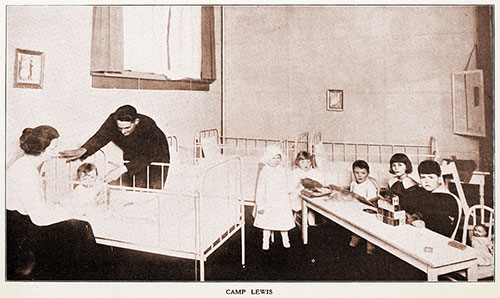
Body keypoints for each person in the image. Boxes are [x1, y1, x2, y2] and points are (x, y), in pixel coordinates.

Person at [7, 125, 98, 279]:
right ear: (42, 149)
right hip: (18, 229)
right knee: (82, 227)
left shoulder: (25, 164)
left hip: (20, 221)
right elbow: (40, 218)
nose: (56, 151)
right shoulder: (26, 173)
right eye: (54, 147)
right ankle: (86, 279)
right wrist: (71, 212)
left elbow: (36, 208)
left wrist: (63, 210)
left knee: (76, 224)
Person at [59, 105, 170, 189]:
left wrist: (121, 170)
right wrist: (84, 149)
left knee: (152, 190)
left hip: (157, 157)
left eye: (127, 128)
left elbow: (149, 155)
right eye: (120, 128)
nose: (123, 132)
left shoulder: (148, 126)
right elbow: (101, 136)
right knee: (135, 189)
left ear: (136, 121)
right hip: (134, 156)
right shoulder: (113, 119)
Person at [253, 146, 295, 250]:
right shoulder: (265, 171)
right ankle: (265, 241)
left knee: (283, 222)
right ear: (268, 159)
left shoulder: (282, 169)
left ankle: (286, 239)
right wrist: (261, 205)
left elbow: (286, 182)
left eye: (278, 158)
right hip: (269, 201)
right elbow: (260, 190)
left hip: (281, 201)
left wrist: (289, 191)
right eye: (273, 158)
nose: (276, 161)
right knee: (267, 223)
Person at [404, 160, 459, 238]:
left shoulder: (447, 199)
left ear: (439, 178)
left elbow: (445, 229)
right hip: (425, 235)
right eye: (423, 177)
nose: (426, 181)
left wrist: (425, 225)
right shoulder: (428, 195)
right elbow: (422, 213)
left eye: (431, 177)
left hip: (440, 240)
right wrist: (415, 218)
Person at [349, 160, 378, 254]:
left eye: (363, 173)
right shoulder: (353, 184)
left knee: (369, 229)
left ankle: (370, 248)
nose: (359, 175)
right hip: (356, 209)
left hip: (369, 210)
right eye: (356, 173)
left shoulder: (369, 185)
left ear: (368, 173)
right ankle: (355, 236)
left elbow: (372, 201)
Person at [290, 151, 324, 225]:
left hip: (311, 194)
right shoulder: (295, 172)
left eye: (308, 162)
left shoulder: (313, 172)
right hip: (298, 194)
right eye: (302, 162)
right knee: (298, 201)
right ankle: (300, 220)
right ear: (297, 163)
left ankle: (311, 224)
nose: (306, 164)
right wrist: (299, 182)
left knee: (314, 205)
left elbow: (319, 183)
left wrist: (314, 183)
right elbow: (291, 186)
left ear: (311, 162)